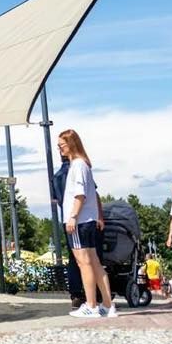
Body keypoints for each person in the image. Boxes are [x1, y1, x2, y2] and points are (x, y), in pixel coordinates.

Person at [58, 129, 115, 318]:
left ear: (71, 144)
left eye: (62, 145)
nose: (60, 149)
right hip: (88, 220)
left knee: (84, 263)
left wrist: (73, 216)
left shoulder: (78, 165)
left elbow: (79, 194)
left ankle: (91, 305)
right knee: (95, 263)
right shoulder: (84, 165)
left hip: (80, 221)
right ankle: (107, 305)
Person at [51, 150, 86, 307]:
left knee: (73, 256)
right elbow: (90, 193)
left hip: (66, 217)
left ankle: (75, 293)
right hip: (81, 217)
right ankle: (92, 294)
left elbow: (56, 200)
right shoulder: (75, 170)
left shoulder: (56, 176)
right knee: (87, 257)